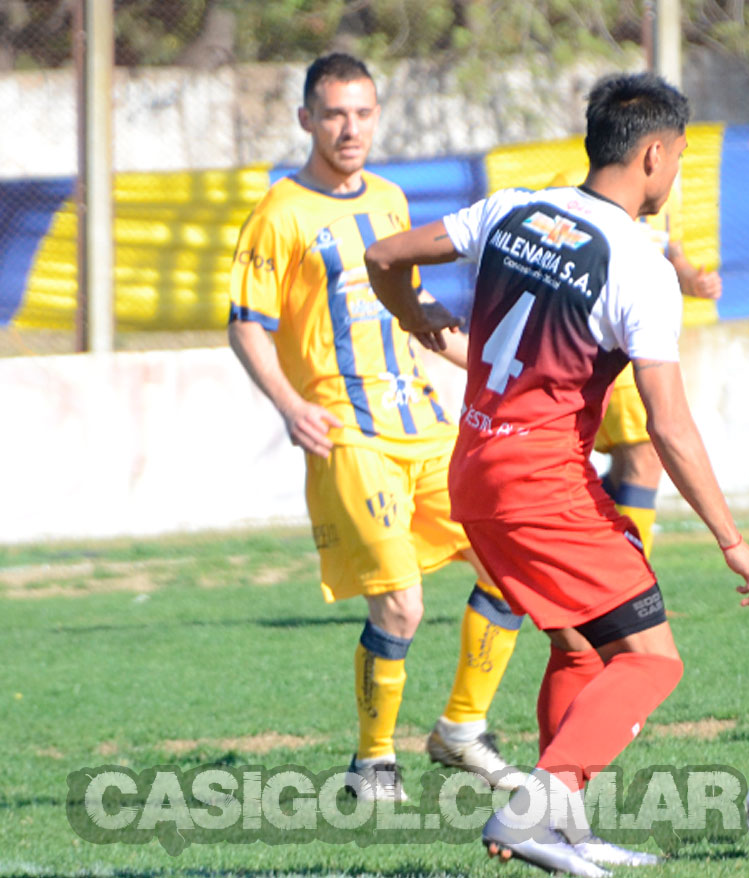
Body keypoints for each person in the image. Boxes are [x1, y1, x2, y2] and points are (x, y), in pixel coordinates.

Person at [366, 72, 749, 877]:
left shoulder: (511, 209)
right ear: (654, 155)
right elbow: (668, 425)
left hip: (474, 471)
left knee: (582, 650)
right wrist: (732, 540)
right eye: (678, 159)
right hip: (541, 485)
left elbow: (384, 256)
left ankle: (565, 831)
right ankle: (532, 811)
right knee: (652, 660)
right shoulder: (638, 265)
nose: (675, 174)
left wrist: (417, 319)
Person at [226, 52, 525, 800]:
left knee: (510, 566)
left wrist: (490, 369)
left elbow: (412, 308)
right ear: (306, 119)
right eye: (333, 113)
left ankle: (462, 730)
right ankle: (373, 763)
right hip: (349, 432)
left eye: (362, 113)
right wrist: (290, 405)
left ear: (377, 117)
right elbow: (246, 324)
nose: (349, 128)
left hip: (424, 422)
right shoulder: (279, 213)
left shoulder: (391, 201)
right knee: (401, 602)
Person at [594, 184, 723, 558]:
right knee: (646, 455)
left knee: (627, 466)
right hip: (610, 345)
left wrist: (694, 281)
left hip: (644, 343)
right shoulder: (579, 184)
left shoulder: (668, 193)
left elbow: (673, 256)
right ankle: (631, 578)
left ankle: (567, 548)